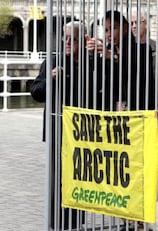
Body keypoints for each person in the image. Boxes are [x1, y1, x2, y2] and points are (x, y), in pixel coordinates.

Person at [30, 21, 86, 230]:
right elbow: (35, 92)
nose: (68, 42)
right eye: (66, 38)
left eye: (74, 39)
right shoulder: (53, 61)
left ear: (83, 40)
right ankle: (56, 223)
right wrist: (50, 80)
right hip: (57, 130)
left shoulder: (90, 64)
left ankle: (76, 222)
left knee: (78, 179)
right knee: (57, 180)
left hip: (81, 132)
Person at [86, 10, 154, 111]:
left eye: (113, 28)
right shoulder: (106, 51)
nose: (109, 34)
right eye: (106, 30)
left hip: (137, 110)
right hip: (111, 111)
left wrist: (112, 56)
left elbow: (135, 72)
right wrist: (93, 53)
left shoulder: (143, 50)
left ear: (125, 28)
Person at [131, 9, 158, 110]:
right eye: (131, 23)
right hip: (133, 104)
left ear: (146, 24)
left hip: (153, 103)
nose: (134, 26)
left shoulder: (157, 48)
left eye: (137, 22)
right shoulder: (127, 48)